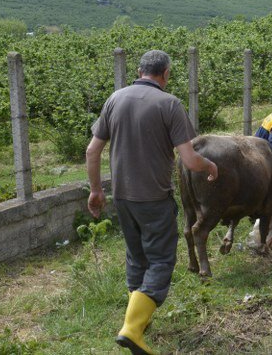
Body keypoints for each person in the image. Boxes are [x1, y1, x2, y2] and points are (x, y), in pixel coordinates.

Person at [86, 50, 218, 355]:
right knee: (160, 260)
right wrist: (210, 166)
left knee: (136, 258)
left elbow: (92, 151)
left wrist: (95, 190)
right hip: (154, 199)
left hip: (122, 198)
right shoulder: (169, 104)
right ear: (166, 73)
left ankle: (139, 324)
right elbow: (189, 159)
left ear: (139, 70)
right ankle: (132, 329)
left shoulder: (115, 99)